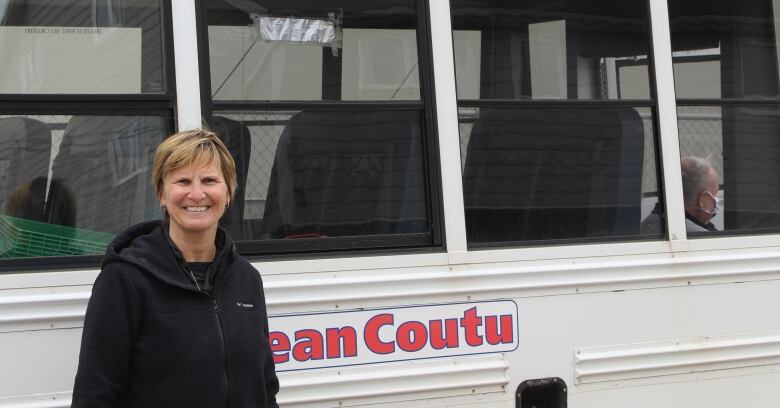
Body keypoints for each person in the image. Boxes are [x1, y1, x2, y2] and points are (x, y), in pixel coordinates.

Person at [72, 129, 279, 407]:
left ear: (228, 191)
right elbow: (95, 394)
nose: (196, 194)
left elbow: (265, 388)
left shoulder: (246, 279)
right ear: (161, 193)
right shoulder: (124, 279)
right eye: (182, 181)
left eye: (209, 180)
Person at [641, 156, 720, 234]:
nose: (717, 198)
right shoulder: (701, 237)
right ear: (703, 200)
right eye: (715, 193)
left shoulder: (648, 224)